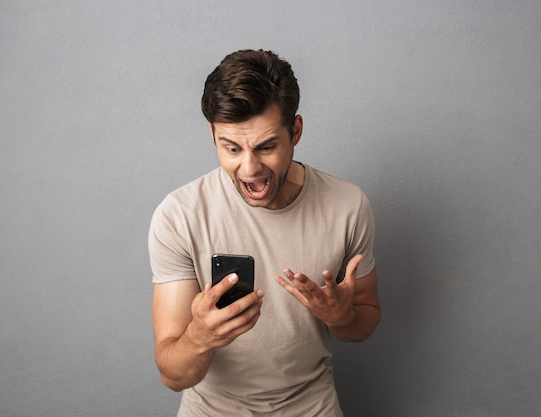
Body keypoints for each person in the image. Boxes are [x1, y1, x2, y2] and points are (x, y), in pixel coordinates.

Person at [148, 49, 381, 417]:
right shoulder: (179, 216)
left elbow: (364, 322)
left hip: (313, 407)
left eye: (267, 146)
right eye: (231, 148)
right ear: (212, 133)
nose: (249, 168)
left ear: (296, 131)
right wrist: (199, 337)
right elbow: (172, 374)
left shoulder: (348, 206)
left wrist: (342, 317)